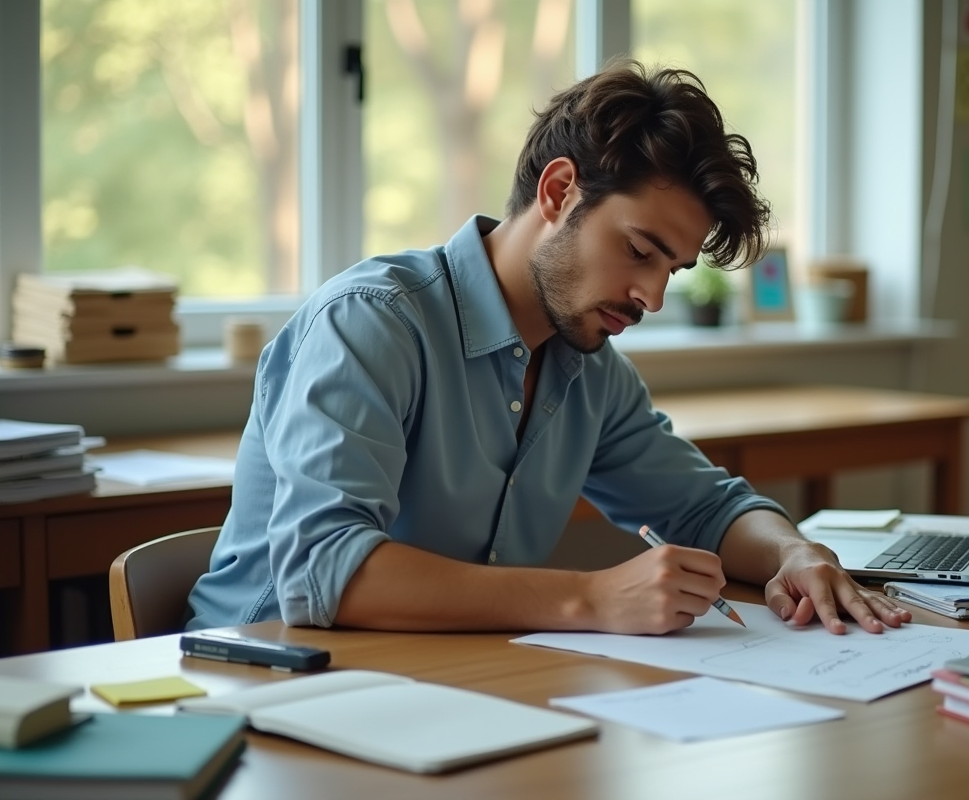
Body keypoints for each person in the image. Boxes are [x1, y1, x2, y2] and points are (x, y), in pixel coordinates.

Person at [187, 60, 912, 637]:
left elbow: (706, 508)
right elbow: (328, 571)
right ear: (560, 190)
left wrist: (793, 552)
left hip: (434, 691)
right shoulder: (372, 323)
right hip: (261, 686)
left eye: (672, 271)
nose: (652, 298)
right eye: (639, 250)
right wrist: (589, 599)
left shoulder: (589, 368)